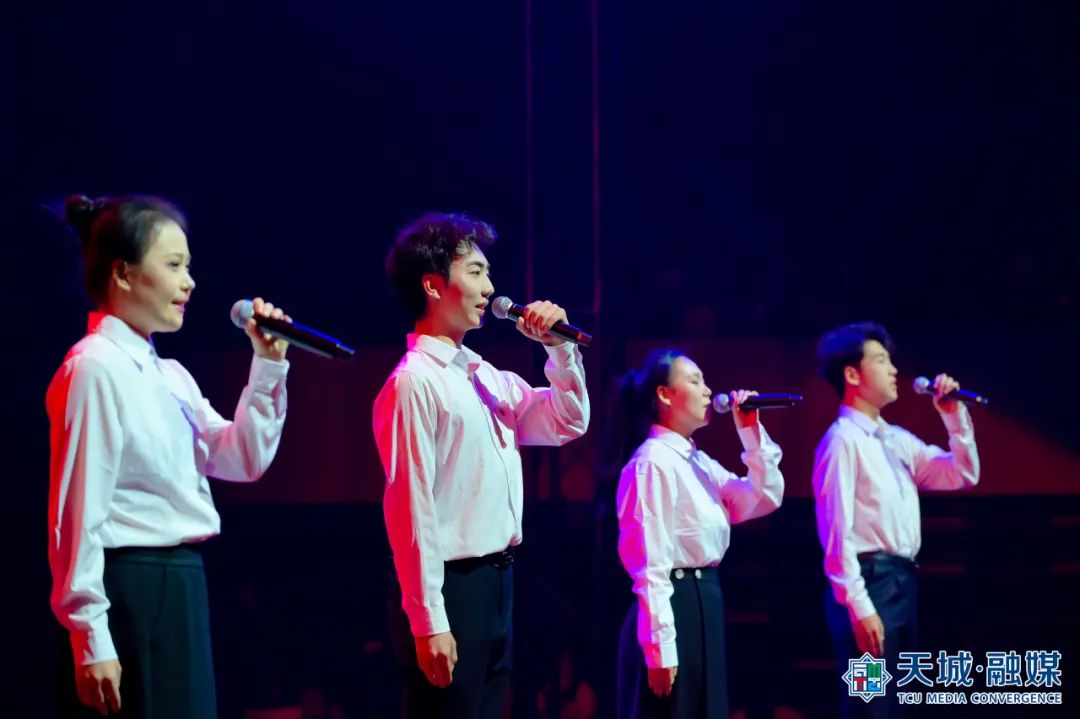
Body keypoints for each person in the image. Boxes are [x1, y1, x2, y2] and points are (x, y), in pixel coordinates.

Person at [47, 194, 292, 718]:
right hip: (132, 584)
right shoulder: (94, 368)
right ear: (124, 273)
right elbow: (78, 512)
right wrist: (90, 634)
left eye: (189, 266)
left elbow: (241, 458)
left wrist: (268, 367)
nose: (190, 282)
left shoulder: (171, 375)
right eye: (175, 265)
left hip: (181, 579)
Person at [372, 211, 590, 718]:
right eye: (475, 271)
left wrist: (559, 351)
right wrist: (429, 621)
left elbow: (567, 421)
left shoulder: (486, 376)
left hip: (498, 581)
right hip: (453, 586)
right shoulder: (413, 382)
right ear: (433, 285)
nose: (490, 288)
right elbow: (411, 509)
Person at [813, 322, 980, 718]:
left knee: (896, 706)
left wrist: (954, 417)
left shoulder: (896, 440)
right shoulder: (842, 441)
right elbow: (836, 533)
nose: (893, 370)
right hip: (868, 586)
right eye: (881, 361)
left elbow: (962, 473)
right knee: (869, 704)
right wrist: (860, 607)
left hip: (902, 582)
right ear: (852, 374)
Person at [613, 348, 784, 719]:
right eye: (694, 381)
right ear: (664, 394)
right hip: (672, 606)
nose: (708, 390)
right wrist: (660, 646)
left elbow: (764, 497)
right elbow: (650, 562)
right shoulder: (652, 462)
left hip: (705, 599)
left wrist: (750, 432)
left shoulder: (699, 462)